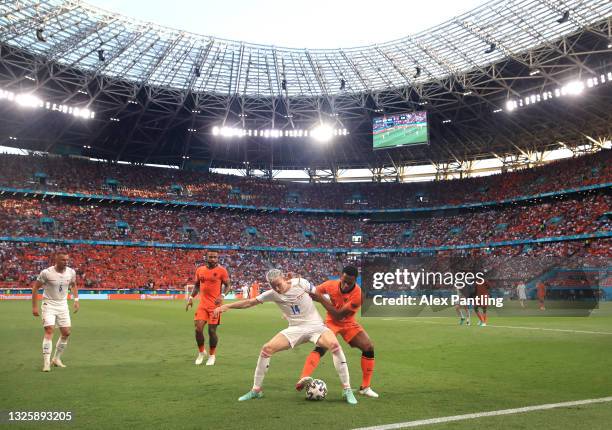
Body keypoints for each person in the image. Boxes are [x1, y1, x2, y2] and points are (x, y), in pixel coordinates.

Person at [213, 269, 358, 404]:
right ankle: (256, 390)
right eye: (273, 286)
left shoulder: (301, 283)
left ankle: (346, 389)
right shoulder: (272, 293)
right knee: (266, 349)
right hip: (295, 328)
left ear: (284, 278)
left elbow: (318, 295)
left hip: (315, 326)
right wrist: (227, 306)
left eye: (278, 284)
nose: (277, 289)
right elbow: (249, 302)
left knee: (334, 346)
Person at [296, 266, 379, 398]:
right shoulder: (330, 285)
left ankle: (365, 387)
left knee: (368, 347)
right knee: (321, 347)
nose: (346, 285)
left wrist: (322, 299)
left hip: (348, 323)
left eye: (349, 283)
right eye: (344, 281)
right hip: (331, 323)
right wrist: (297, 285)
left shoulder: (358, 295)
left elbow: (339, 315)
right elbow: (312, 291)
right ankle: (303, 378)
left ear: (355, 281)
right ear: (341, 276)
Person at [31, 251, 79, 372]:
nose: (66, 262)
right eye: (63, 260)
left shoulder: (71, 272)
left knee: (66, 333)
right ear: (56, 260)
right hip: (49, 304)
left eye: (67, 260)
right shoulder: (46, 273)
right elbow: (35, 287)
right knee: (49, 330)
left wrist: (76, 299)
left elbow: (73, 285)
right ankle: (46, 362)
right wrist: (34, 307)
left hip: (62, 305)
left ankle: (56, 359)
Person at [186, 251, 230, 366]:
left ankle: (212, 355)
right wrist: (191, 297)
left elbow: (228, 285)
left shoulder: (222, 271)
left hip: (215, 306)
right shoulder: (200, 270)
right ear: (206, 257)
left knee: (212, 331)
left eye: (215, 257)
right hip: (202, 305)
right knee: (198, 329)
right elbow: (196, 285)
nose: (213, 259)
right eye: (211, 257)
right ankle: (201, 352)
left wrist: (222, 295)